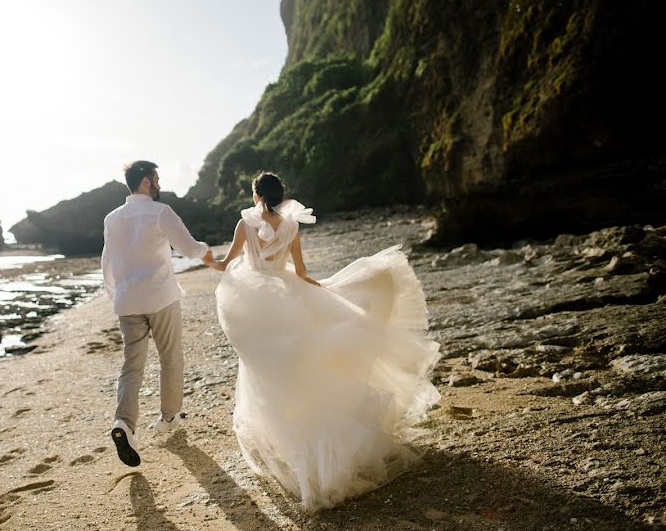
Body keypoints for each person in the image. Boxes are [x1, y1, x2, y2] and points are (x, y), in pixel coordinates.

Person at [203, 172, 441, 511]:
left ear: (256, 195)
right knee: (300, 368)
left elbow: (225, 264)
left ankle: (289, 449)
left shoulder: (245, 224)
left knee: (266, 373)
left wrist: (205, 258)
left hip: (251, 306)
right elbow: (300, 273)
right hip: (285, 299)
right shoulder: (291, 226)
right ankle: (317, 450)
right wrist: (325, 288)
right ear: (281, 196)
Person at [102, 160, 213, 467]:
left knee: (131, 366)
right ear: (146, 182)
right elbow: (189, 250)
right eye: (157, 178)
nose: (160, 182)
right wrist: (207, 251)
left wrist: (118, 296)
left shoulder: (112, 219)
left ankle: (123, 423)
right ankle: (169, 417)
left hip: (127, 301)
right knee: (170, 357)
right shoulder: (160, 212)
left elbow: (107, 263)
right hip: (160, 296)